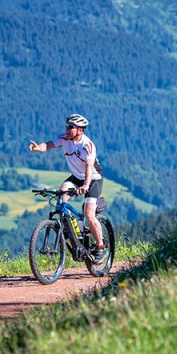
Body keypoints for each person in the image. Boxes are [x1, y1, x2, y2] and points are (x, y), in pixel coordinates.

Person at [29, 113, 107, 264]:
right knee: (61, 198)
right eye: (67, 126)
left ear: (80, 130)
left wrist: (85, 185)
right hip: (76, 177)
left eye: (71, 127)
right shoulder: (65, 138)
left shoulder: (87, 145)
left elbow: (89, 167)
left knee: (89, 214)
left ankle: (100, 246)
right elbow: (50, 144)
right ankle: (69, 229)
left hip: (93, 179)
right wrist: (39, 148)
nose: (67, 129)